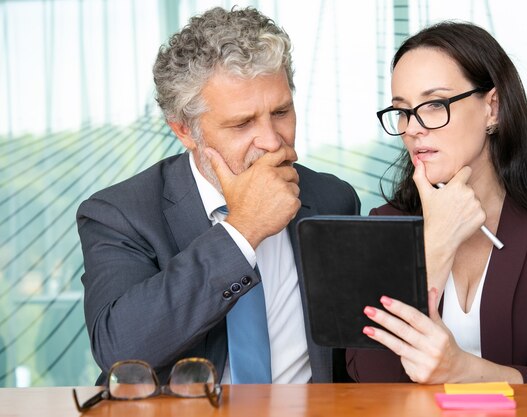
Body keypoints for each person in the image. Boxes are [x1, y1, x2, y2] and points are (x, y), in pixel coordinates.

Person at [76, 6, 360, 385]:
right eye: (242, 123)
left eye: (281, 111)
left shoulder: (332, 200)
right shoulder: (119, 214)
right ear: (184, 131)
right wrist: (242, 230)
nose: (272, 140)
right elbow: (121, 351)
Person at [346, 21, 527, 384]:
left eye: (435, 104)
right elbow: (370, 377)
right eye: (403, 110)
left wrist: (461, 370)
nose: (412, 128)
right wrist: (436, 244)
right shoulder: (385, 224)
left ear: (493, 108)